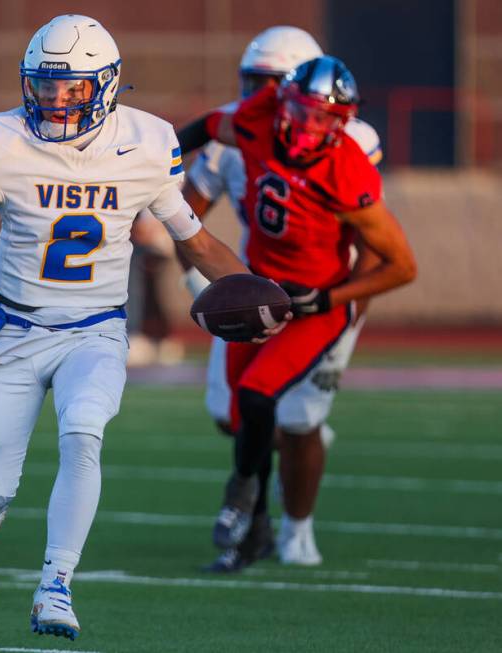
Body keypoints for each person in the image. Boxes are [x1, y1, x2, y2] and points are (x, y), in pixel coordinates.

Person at [0, 14, 279, 641]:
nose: (56, 99)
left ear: (106, 84)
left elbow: (197, 239)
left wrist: (263, 297)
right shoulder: (2, 139)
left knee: (84, 430)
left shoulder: (146, 145)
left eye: (72, 87)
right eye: (46, 85)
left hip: (96, 330)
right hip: (14, 330)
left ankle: (56, 584)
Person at [177, 55, 416, 569]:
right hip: (260, 287)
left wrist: (331, 299)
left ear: (344, 122)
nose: (312, 127)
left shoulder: (347, 170)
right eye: (305, 112)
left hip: (315, 303)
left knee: (260, 396)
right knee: (243, 415)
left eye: (327, 118)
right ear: (284, 101)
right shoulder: (257, 119)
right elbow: (207, 126)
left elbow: (402, 265)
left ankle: (240, 494)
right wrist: (158, 159)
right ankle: (255, 527)